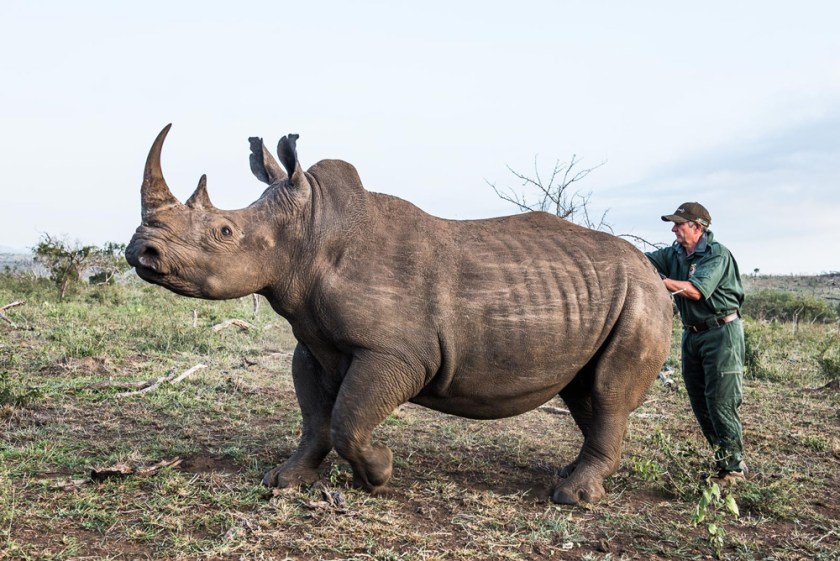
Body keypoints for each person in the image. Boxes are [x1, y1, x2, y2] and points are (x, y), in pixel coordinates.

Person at [646, 202, 747, 485]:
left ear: (697, 227)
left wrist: (661, 280)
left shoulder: (716, 255)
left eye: (679, 224)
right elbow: (643, 261)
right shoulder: (675, 253)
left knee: (721, 401)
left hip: (721, 333)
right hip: (691, 334)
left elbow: (693, 291)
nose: (674, 228)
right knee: (699, 399)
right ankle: (722, 462)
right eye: (674, 223)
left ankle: (733, 468)